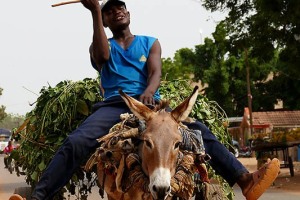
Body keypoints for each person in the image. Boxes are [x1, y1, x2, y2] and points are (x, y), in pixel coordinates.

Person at [9, 0, 280, 199]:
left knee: (200, 132)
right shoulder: (101, 45)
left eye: (120, 8)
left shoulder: (151, 42)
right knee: (75, 142)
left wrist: (150, 92)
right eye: (109, 11)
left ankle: (244, 180)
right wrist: (93, 11)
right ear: (104, 22)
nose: (117, 12)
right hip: (114, 105)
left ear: (128, 14)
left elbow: (156, 72)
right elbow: (101, 59)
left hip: (153, 108)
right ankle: (39, 197)